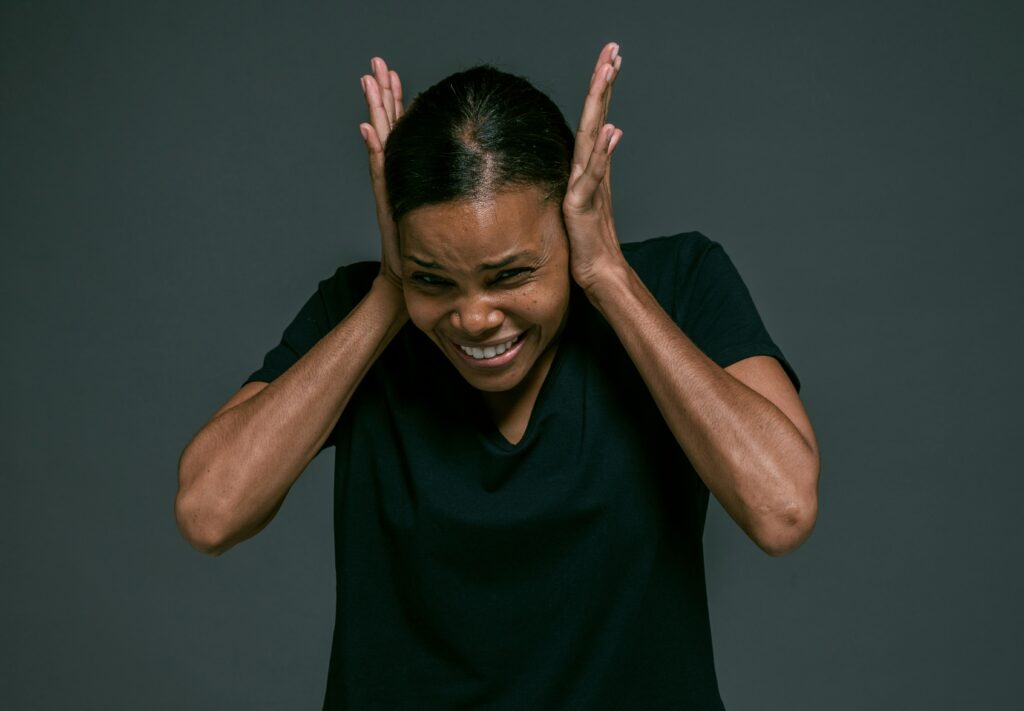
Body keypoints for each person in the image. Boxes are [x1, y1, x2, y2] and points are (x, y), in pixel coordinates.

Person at [176, 42, 820, 710]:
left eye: (510, 275)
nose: (475, 317)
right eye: (438, 279)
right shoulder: (361, 313)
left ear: (570, 221)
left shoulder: (678, 286)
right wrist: (391, 294)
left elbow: (783, 507)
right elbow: (209, 511)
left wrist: (609, 277)